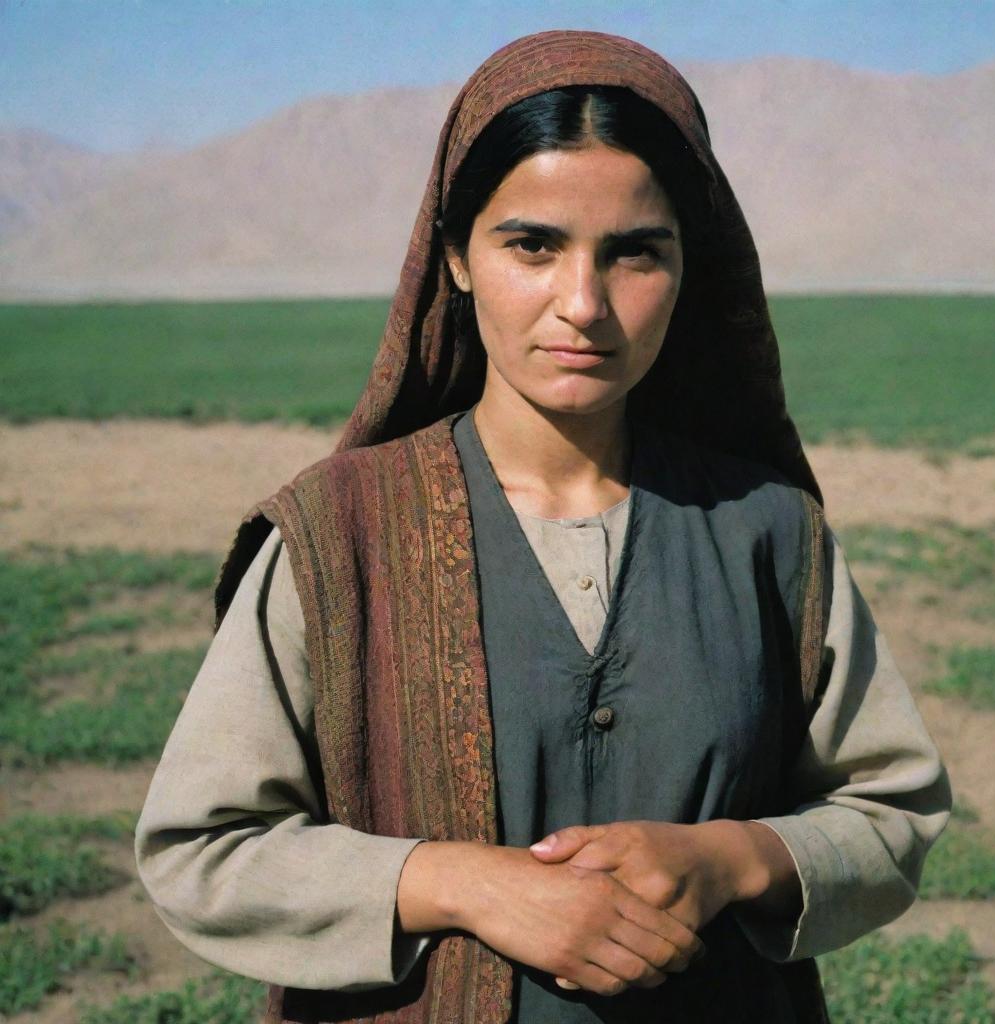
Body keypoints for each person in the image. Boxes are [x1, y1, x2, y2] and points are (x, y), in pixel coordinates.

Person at [135, 29, 951, 1024]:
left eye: (635, 253)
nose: (583, 304)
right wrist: (458, 882)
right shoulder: (334, 534)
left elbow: (889, 809)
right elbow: (203, 847)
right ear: (457, 258)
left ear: (689, 268)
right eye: (532, 245)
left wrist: (732, 857)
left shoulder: (768, 531)